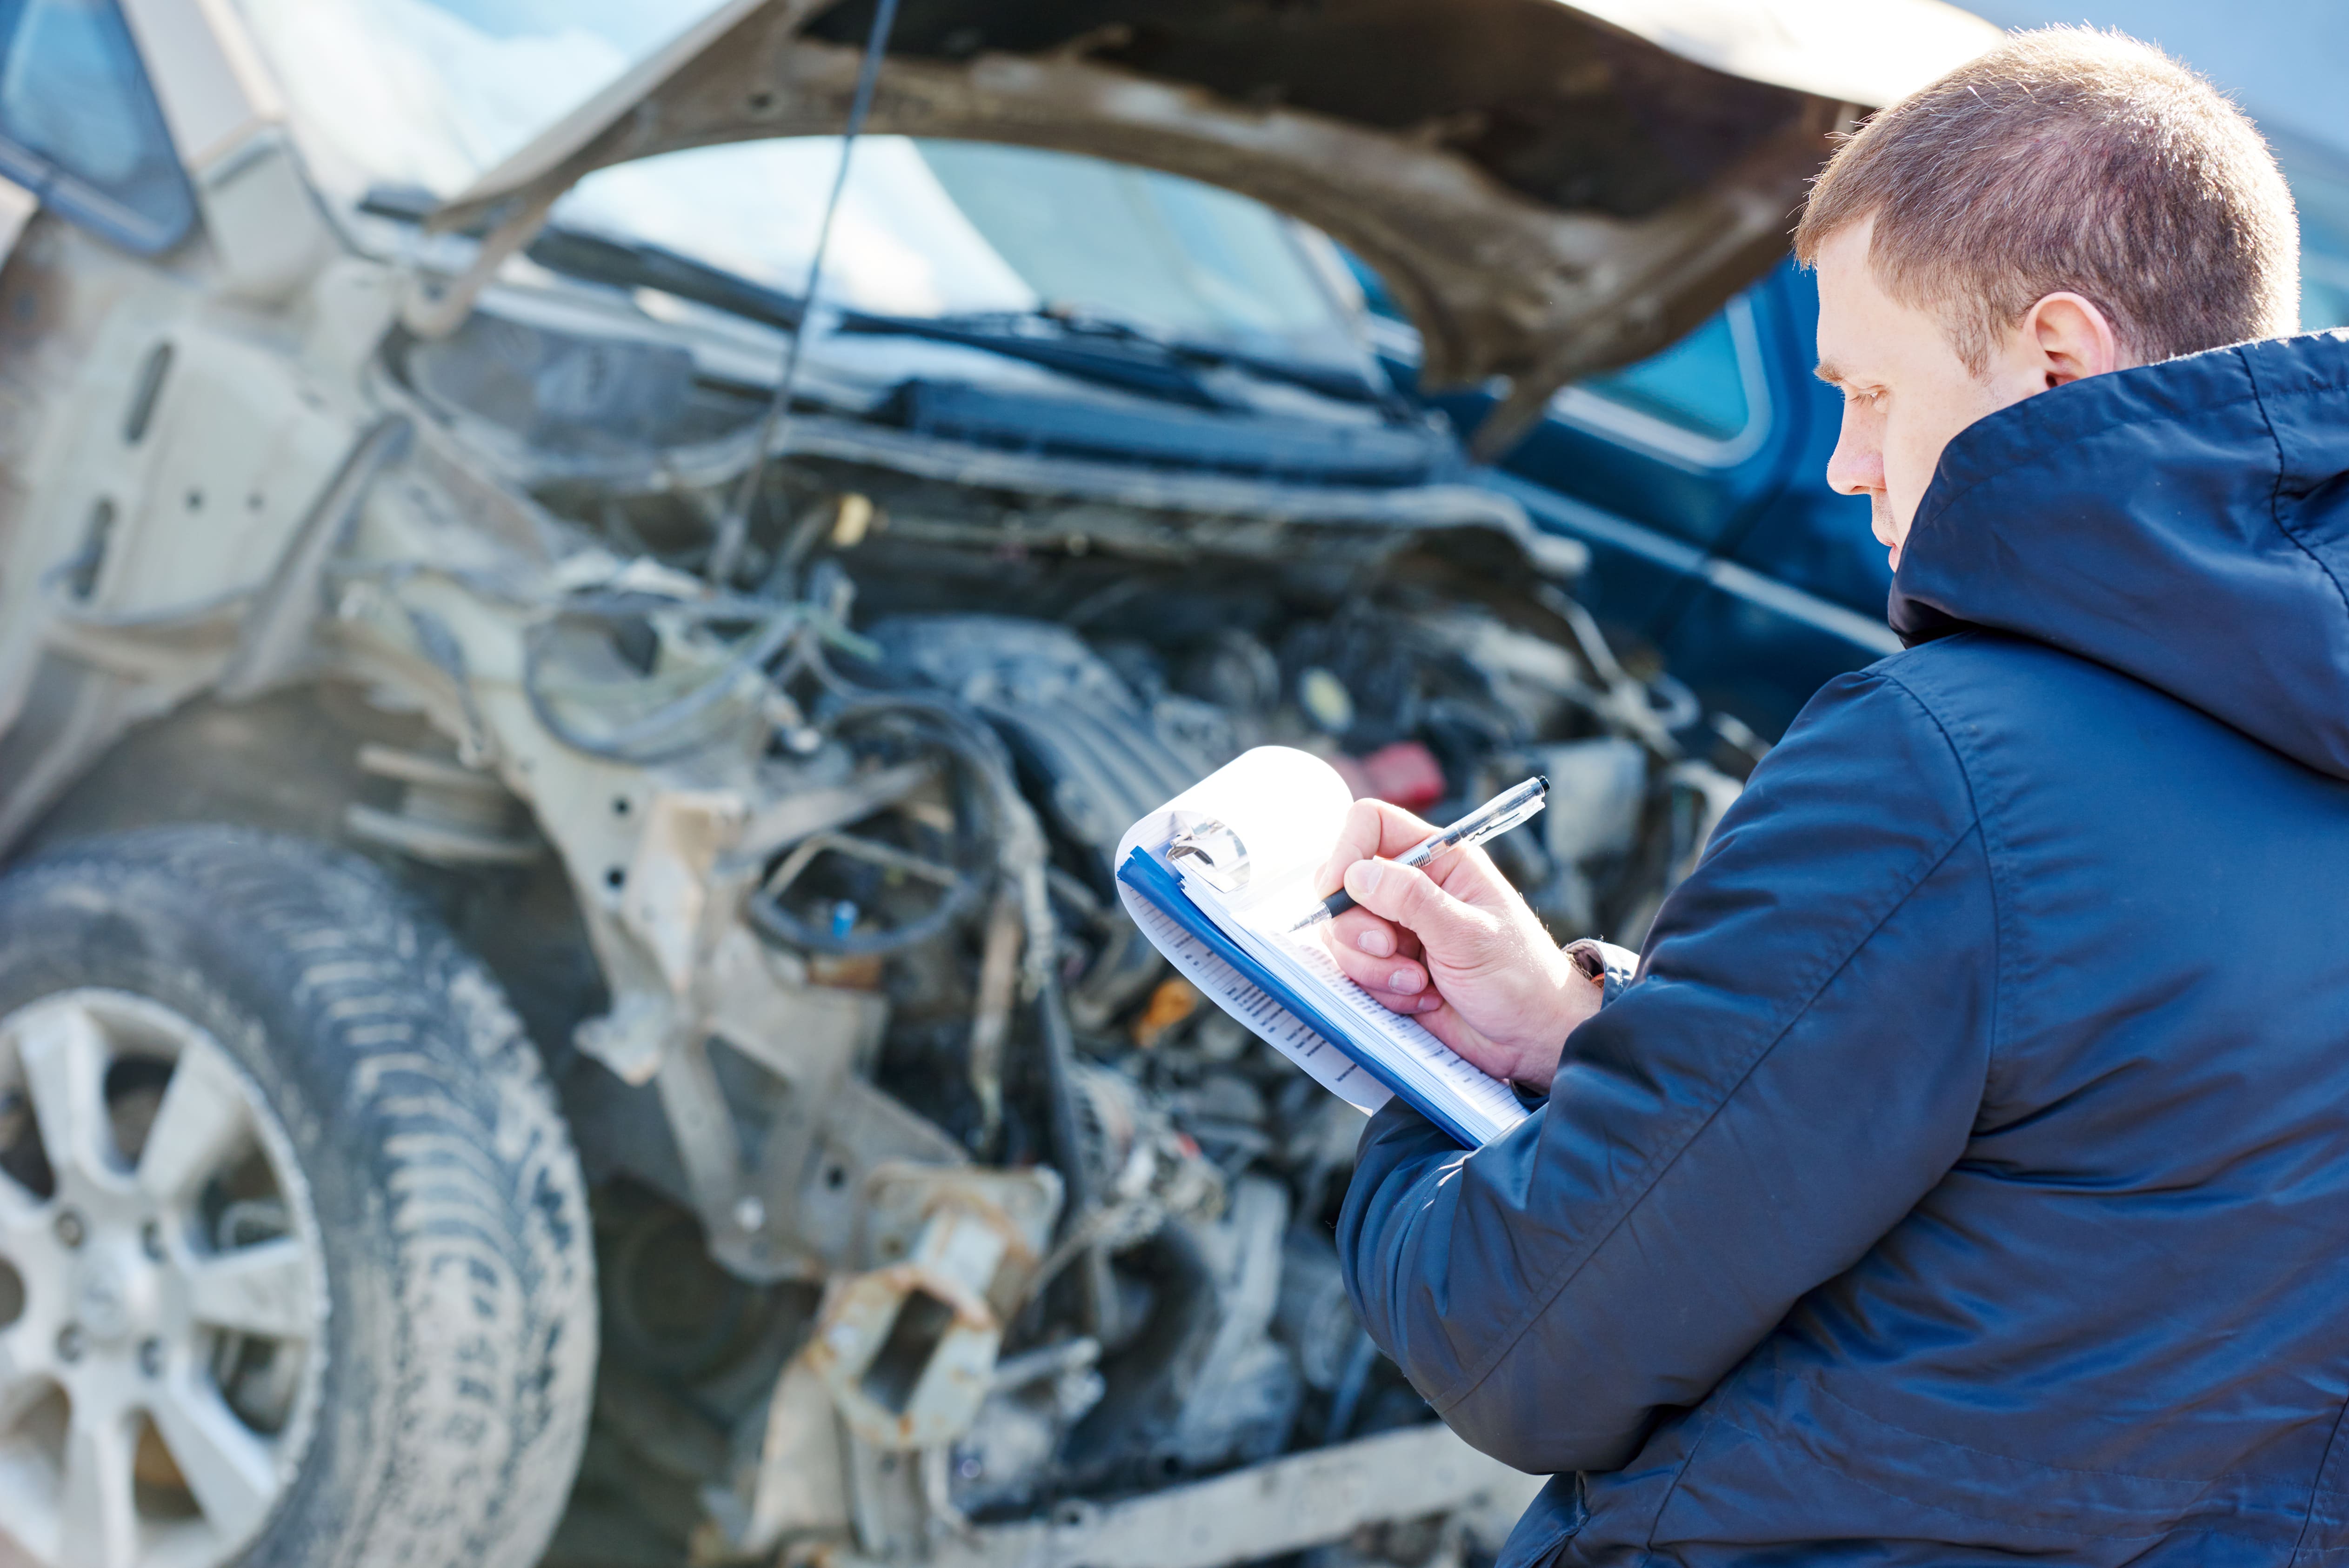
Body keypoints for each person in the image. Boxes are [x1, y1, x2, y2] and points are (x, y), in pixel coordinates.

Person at [1322, 27, 2349, 1565]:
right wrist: (1572, 1031)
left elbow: (1517, 1337)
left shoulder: (1942, 768)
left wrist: (1400, 1070)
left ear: (2053, 361)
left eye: (1869, 389)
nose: (1845, 465)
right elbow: (2059, 1161)